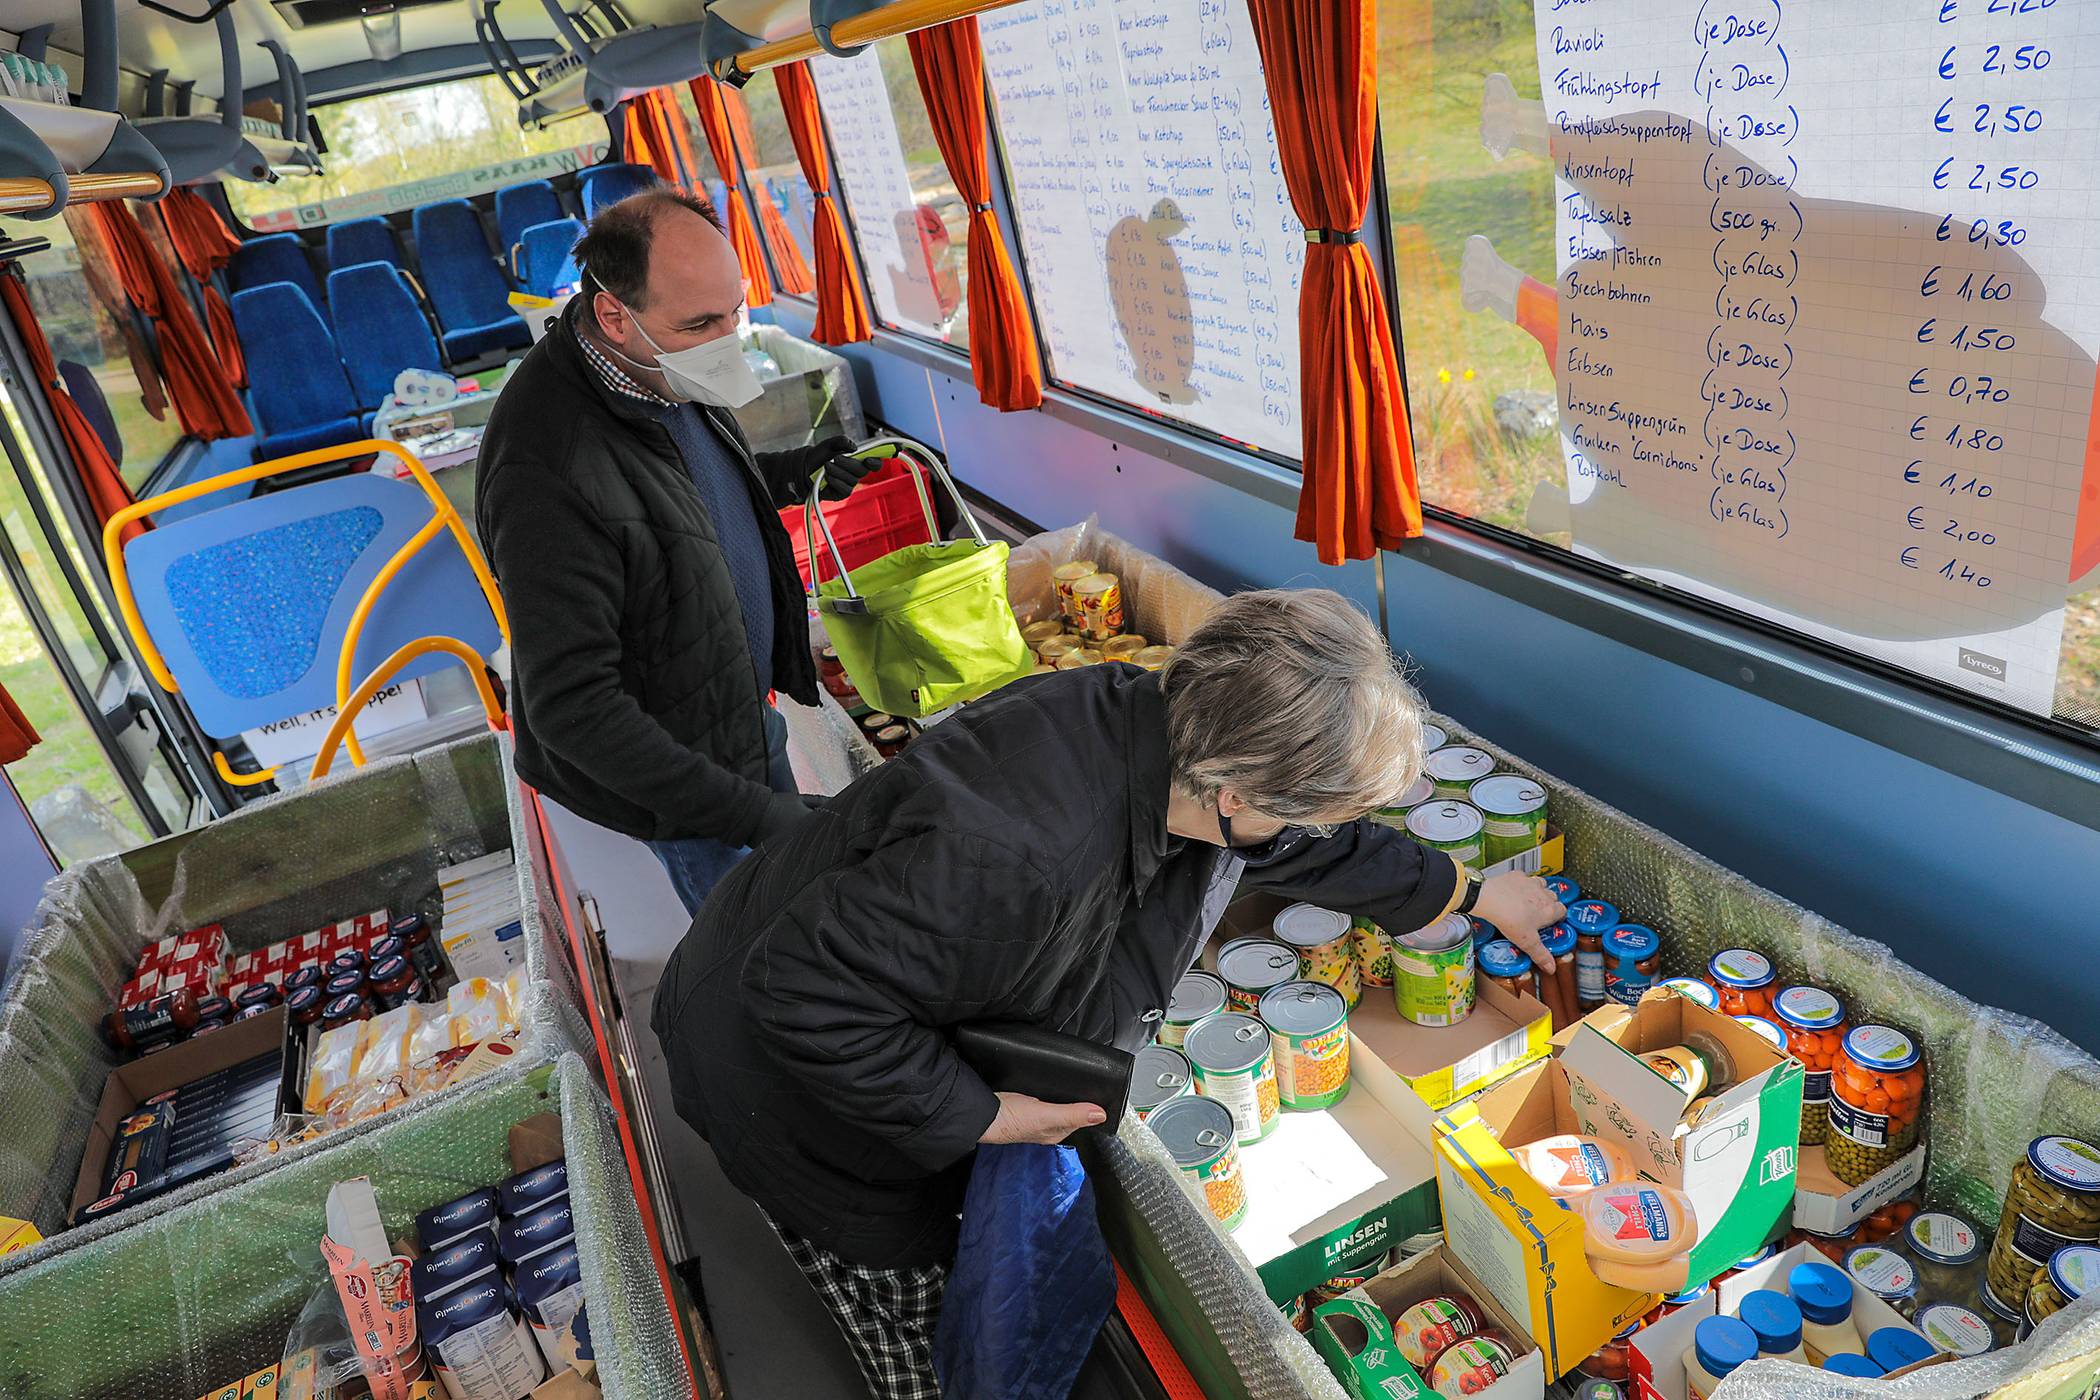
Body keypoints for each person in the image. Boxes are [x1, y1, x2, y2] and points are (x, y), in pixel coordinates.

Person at [651, 588, 1566, 1399]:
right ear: (1242, 790)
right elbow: (804, 996)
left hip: (859, 975)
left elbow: (1299, 844)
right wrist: (977, 1113)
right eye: (1309, 806)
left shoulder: (1172, 734)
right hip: (781, 1079)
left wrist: (1472, 891)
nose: (1308, 830)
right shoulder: (1017, 856)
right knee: (915, 1293)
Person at [477, 188, 878, 914]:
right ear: (613, 315)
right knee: (767, 966)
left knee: (816, 918)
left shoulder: (661, 365)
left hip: (734, 713)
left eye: (735, 313)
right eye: (701, 324)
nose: (725, 340)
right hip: (683, 781)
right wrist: (751, 815)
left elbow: (681, 493)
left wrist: (799, 467)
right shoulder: (546, 469)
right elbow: (572, 708)